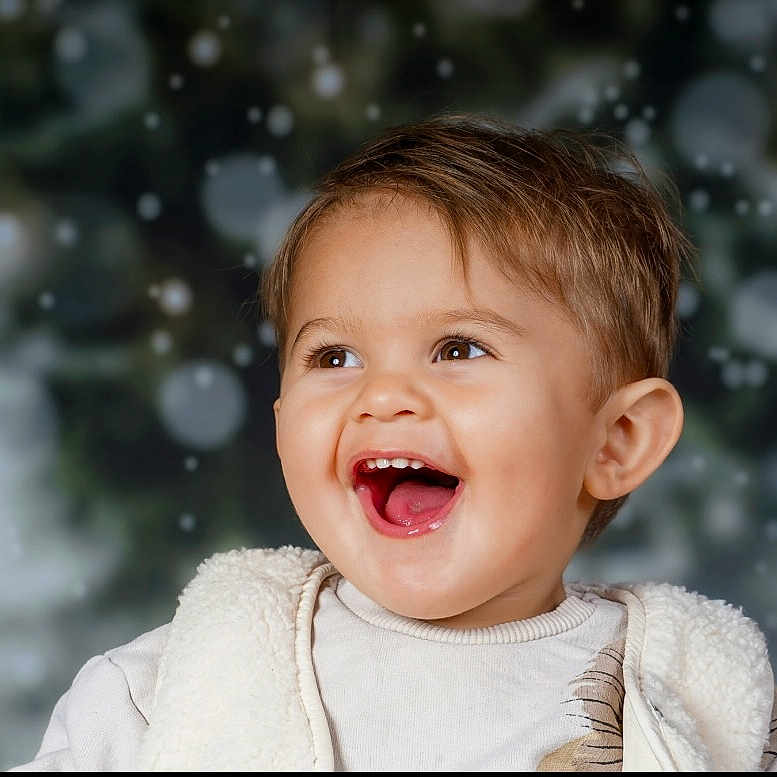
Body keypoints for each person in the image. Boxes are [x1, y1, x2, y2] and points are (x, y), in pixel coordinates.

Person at [11, 112, 776, 772]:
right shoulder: (175, 688)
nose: (380, 395)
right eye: (333, 357)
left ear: (616, 440)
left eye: (457, 348)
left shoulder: (687, 693)